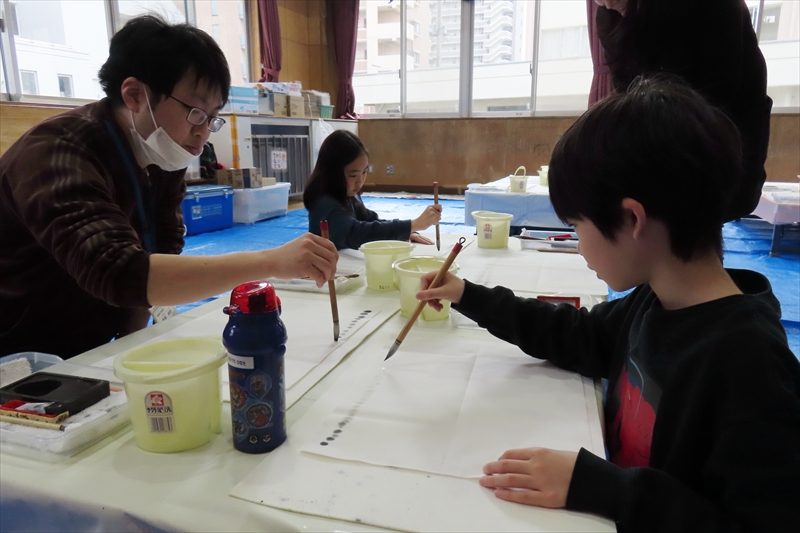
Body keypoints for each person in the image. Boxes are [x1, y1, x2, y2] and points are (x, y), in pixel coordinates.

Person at [416, 77, 800, 531]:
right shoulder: (653, 300)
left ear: (632, 218)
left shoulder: (751, 366)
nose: (578, 246)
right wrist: (467, 294)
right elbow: (580, 335)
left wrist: (601, 487)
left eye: (577, 228)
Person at [0, 16, 337, 359]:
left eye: (212, 117)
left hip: (90, 343)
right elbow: (120, 272)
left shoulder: (159, 152)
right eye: (195, 112)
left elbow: (162, 246)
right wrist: (269, 261)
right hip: (22, 351)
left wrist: (130, 342)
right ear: (134, 95)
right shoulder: (57, 153)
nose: (203, 132)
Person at [594, 0, 772, 222]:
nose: (603, 3)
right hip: (663, 136)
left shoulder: (709, 7)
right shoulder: (608, 17)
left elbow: (718, 94)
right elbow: (626, 92)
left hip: (721, 136)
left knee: (697, 217)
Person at [304, 130, 442, 250]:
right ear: (332, 174)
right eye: (353, 175)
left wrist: (404, 232)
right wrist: (413, 224)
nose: (360, 181)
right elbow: (357, 233)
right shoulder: (325, 206)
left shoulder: (346, 198)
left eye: (364, 172)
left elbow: (371, 221)